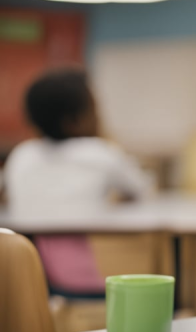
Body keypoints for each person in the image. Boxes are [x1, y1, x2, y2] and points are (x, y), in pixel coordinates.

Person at [4, 67, 152, 295]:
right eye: (94, 111)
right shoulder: (100, 152)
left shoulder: (22, 155)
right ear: (72, 121)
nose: (101, 117)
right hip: (81, 279)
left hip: (22, 280)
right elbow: (142, 189)